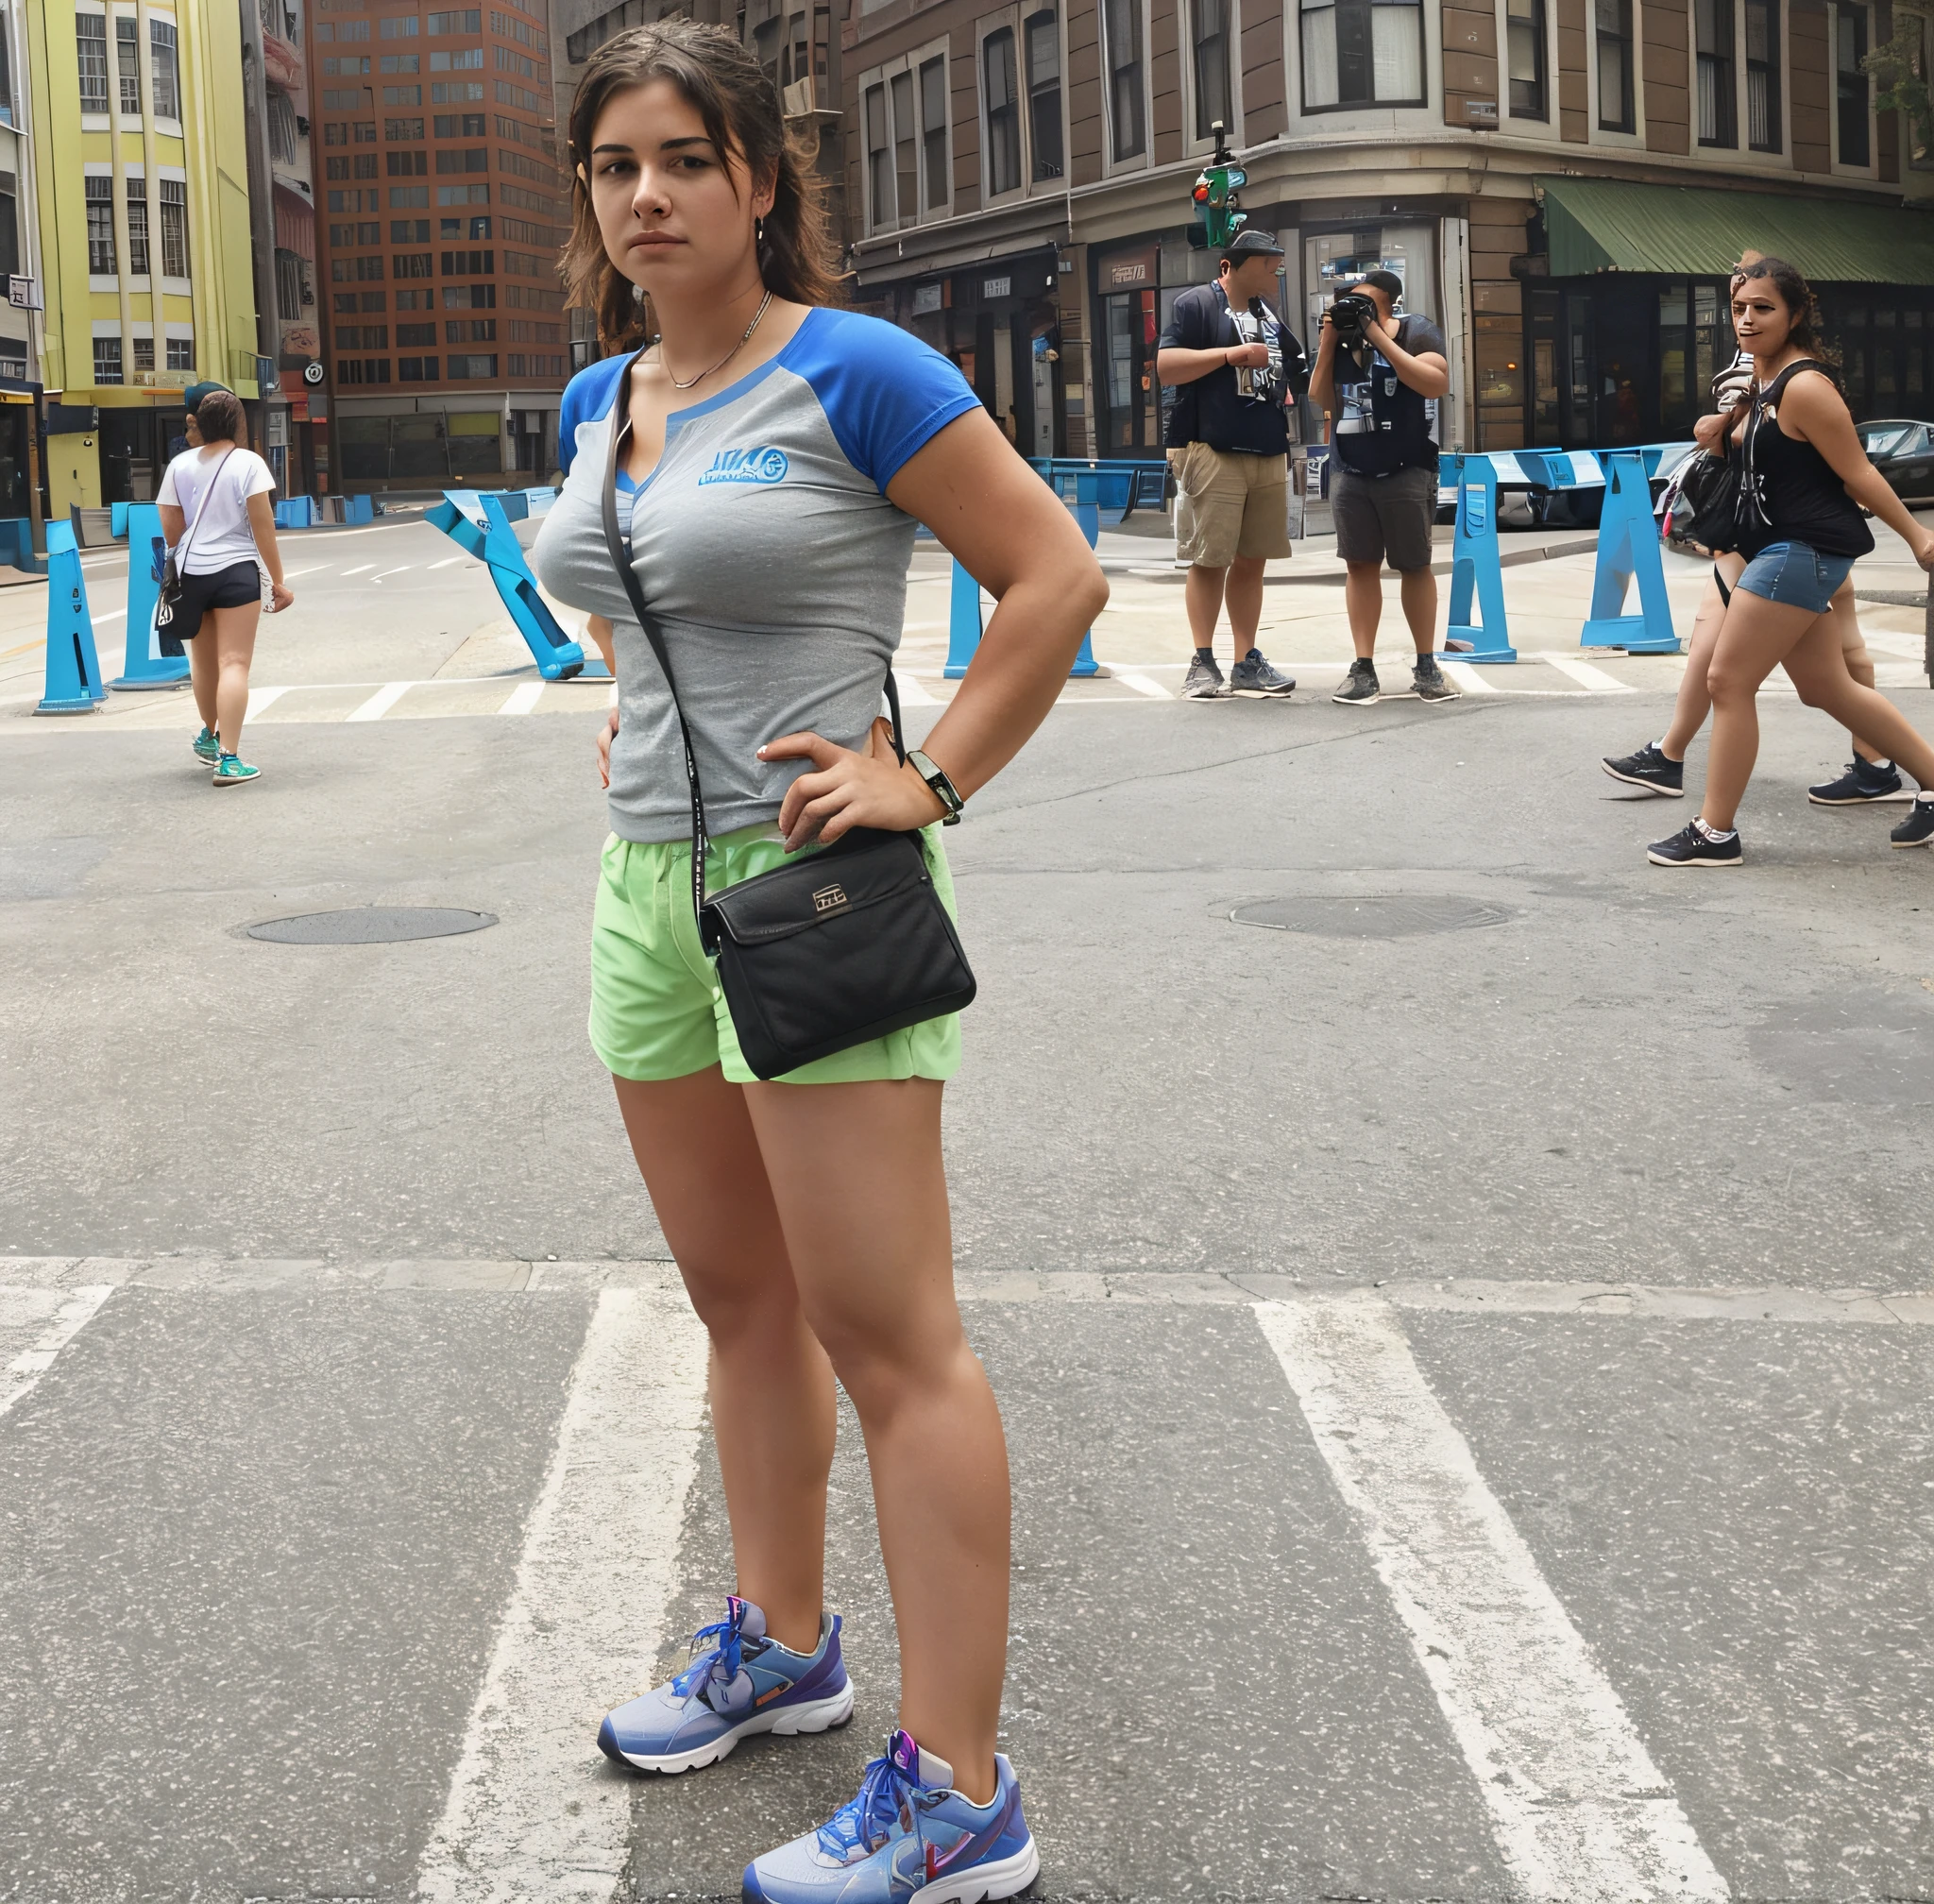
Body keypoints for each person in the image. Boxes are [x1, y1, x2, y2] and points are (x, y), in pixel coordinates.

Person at [531, 21, 1106, 1900]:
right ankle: (782, 1644)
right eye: (616, 164)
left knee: (890, 1336)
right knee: (739, 1305)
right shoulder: (591, 401)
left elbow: (1054, 578)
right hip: (645, 894)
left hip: (812, 896)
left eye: (684, 158)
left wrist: (919, 775)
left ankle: (962, 1793)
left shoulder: (858, 370)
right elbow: (634, 625)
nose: (648, 194)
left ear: (760, 180)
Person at [1647, 256, 1934, 865]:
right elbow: (1763, 458)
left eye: (1762, 308)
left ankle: (1715, 831)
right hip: (1782, 546)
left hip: (1801, 548)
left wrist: (1918, 538)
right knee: (1826, 687)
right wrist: (1720, 427)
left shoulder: (1806, 385)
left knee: (1728, 680)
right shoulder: (1763, 377)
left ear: (1796, 314)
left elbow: (1858, 473)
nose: (1746, 320)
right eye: (1738, 309)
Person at [1154, 228, 1305, 700]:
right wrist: (1231, 355)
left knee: (1252, 560)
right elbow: (1167, 367)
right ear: (1233, 265)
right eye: (1266, 262)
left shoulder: (1269, 314)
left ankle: (1246, 660)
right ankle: (1201, 661)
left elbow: (1296, 377)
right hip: (1211, 446)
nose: (1274, 268)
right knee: (1209, 559)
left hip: (1266, 446)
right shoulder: (1196, 305)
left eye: (1275, 261)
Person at [1307, 269, 1459, 705]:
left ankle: (1426, 664)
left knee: (1414, 565)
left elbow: (1436, 381)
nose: (1354, 305)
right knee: (1359, 565)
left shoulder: (1416, 330)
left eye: (1364, 300)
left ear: (1389, 300)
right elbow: (1321, 399)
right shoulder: (1341, 342)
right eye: (1349, 299)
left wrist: (1376, 335)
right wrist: (1329, 343)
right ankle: (1363, 666)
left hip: (1407, 468)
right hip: (1351, 471)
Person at [156, 387, 293, 788]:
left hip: (192, 572)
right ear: (235, 423)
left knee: (203, 661)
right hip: (235, 571)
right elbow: (262, 526)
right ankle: (230, 760)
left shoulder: (179, 465)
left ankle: (210, 736)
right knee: (234, 663)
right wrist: (278, 581)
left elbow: (171, 528)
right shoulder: (248, 463)